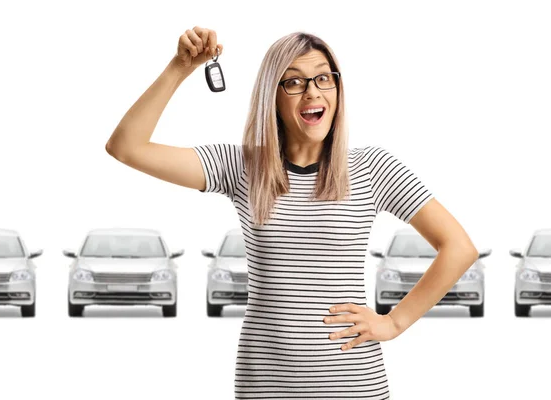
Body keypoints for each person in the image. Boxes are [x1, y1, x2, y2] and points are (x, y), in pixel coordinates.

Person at [106, 26, 479, 400]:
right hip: (264, 385)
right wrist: (179, 68)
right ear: (273, 96)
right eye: (295, 82)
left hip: (353, 385)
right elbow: (126, 147)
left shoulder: (371, 168)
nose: (313, 91)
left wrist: (395, 321)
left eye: (322, 78)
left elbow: (458, 247)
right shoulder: (240, 166)